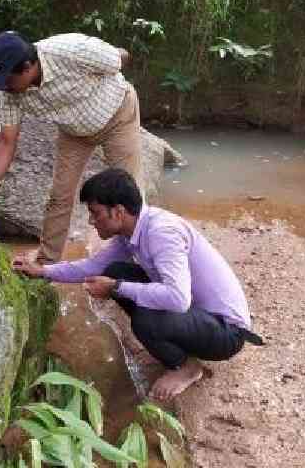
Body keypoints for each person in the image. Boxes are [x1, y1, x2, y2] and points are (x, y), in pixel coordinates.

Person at [14, 168, 263, 401]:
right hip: (199, 317)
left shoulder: (160, 233)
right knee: (115, 270)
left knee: (143, 319)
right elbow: (92, 267)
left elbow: (178, 298)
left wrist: (116, 287)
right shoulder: (133, 231)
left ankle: (187, 368)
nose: (91, 221)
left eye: (96, 213)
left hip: (226, 332)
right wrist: (43, 271)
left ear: (118, 212)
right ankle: (170, 340)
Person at [0, 31, 142, 265]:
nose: (3, 88)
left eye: (7, 80)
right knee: (59, 195)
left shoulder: (71, 50)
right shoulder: (12, 94)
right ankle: (47, 261)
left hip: (118, 114)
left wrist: (109, 57)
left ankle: (139, 257)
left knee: (129, 193)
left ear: (28, 66)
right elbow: (7, 141)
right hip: (74, 130)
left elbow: (119, 59)